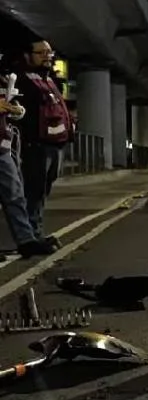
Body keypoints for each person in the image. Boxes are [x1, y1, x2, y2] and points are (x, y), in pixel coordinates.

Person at [11, 40, 73, 248]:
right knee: (33, 191)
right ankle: (31, 237)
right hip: (36, 145)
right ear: (29, 55)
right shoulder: (21, 79)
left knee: (42, 190)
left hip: (55, 144)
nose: (48, 56)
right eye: (42, 52)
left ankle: (35, 234)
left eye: (50, 52)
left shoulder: (48, 79)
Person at [0, 76, 53, 257]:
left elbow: (17, 108)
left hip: (3, 147)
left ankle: (26, 241)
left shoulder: (4, 80)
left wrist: (16, 109)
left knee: (15, 196)